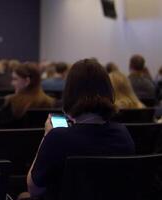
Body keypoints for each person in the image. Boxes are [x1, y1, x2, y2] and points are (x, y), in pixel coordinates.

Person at [27, 59, 135, 200]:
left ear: (70, 93)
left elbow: (34, 189)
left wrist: (46, 136)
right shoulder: (123, 134)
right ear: (108, 91)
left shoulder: (58, 138)